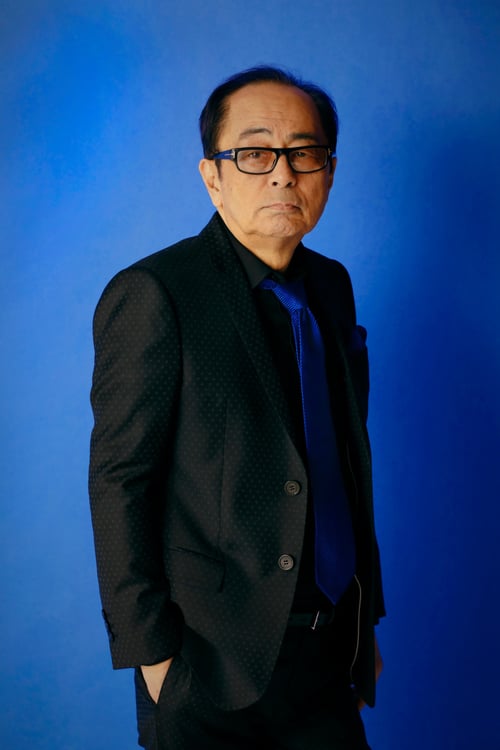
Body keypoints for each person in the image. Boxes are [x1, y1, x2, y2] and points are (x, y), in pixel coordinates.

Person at [89, 65, 385, 750]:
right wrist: (154, 659)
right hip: (210, 662)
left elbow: (344, 460)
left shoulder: (331, 286)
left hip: (330, 651)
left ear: (329, 172)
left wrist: (364, 621)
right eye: (254, 154)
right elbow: (119, 480)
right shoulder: (156, 292)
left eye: (304, 153)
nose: (282, 175)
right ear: (212, 176)